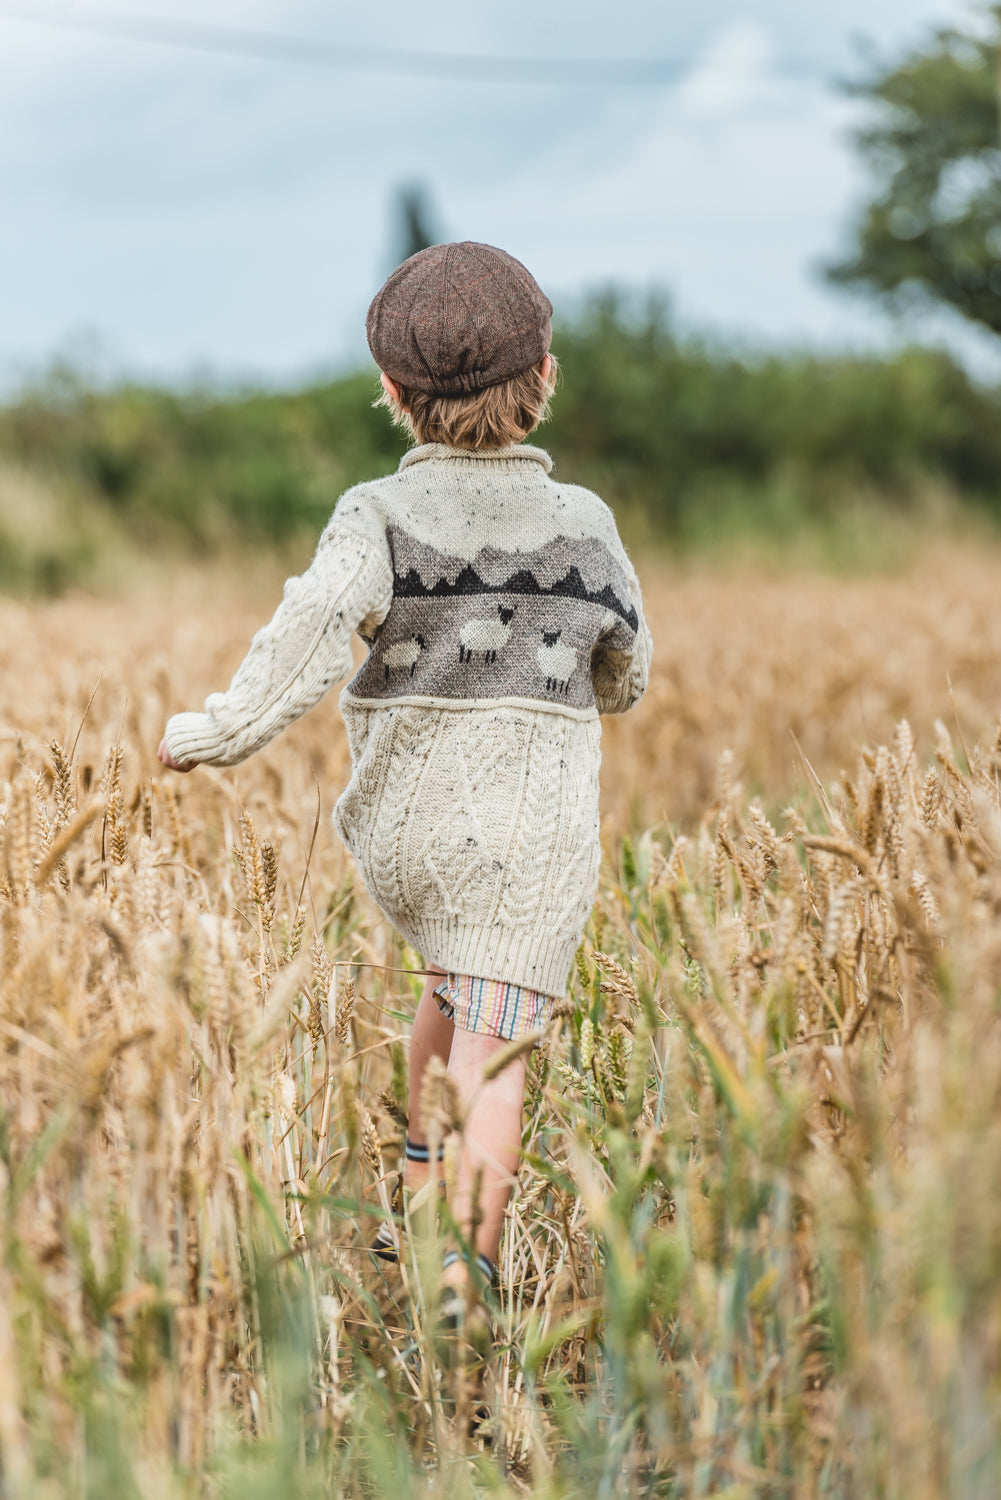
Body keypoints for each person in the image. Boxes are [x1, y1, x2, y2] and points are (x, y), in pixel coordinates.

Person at [158, 241, 652, 1327]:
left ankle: (420, 1168)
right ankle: (458, 1280)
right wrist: (586, 678)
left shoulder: (372, 515)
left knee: (447, 985)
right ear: (546, 376)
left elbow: (306, 633)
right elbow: (626, 667)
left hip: (404, 839)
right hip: (522, 846)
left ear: (390, 390)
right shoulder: (585, 524)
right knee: (497, 1049)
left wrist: (215, 731)